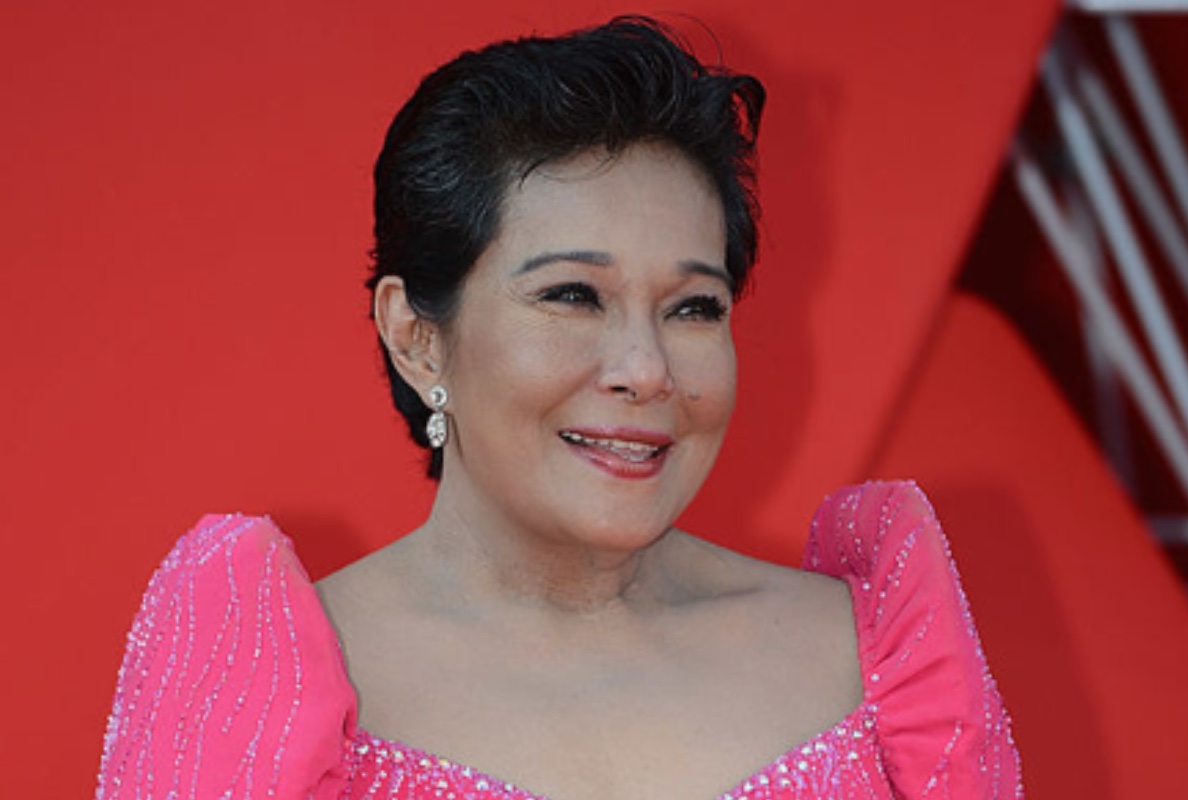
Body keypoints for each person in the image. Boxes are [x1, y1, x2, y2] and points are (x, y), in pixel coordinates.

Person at [95, 16, 1022, 800]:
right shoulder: (260, 684)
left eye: (694, 308)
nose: (646, 370)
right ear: (416, 337)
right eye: (572, 296)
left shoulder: (875, 661)